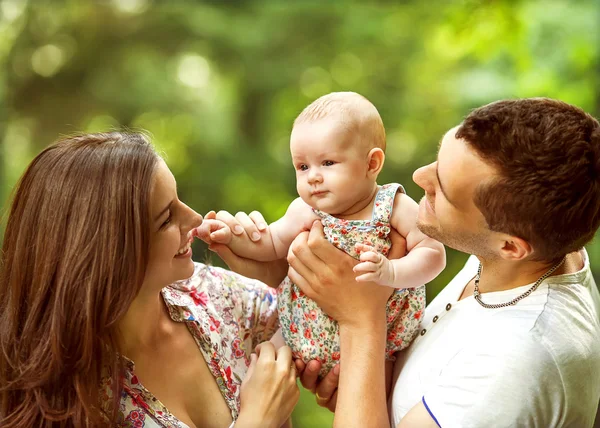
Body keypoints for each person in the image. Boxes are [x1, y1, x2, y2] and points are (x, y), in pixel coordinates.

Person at [215, 98, 600, 427]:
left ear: (512, 246)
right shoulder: (526, 252)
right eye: (438, 159)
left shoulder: (509, 367)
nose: (418, 177)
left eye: (443, 187)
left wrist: (360, 321)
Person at [0, 132, 299, 427]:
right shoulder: (64, 400)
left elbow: (331, 318)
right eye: (166, 219)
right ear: (109, 253)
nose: (195, 218)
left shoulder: (219, 299)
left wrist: (282, 270)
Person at [200, 92, 445, 377]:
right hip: (300, 334)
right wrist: (230, 236)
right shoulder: (305, 209)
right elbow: (270, 242)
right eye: (302, 167)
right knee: (262, 365)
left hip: (381, 345)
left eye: (327, 163)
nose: (313, 177)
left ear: (372, 163)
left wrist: (392, 271)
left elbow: (433, 253)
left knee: (388, 403)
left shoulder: (393, 206)